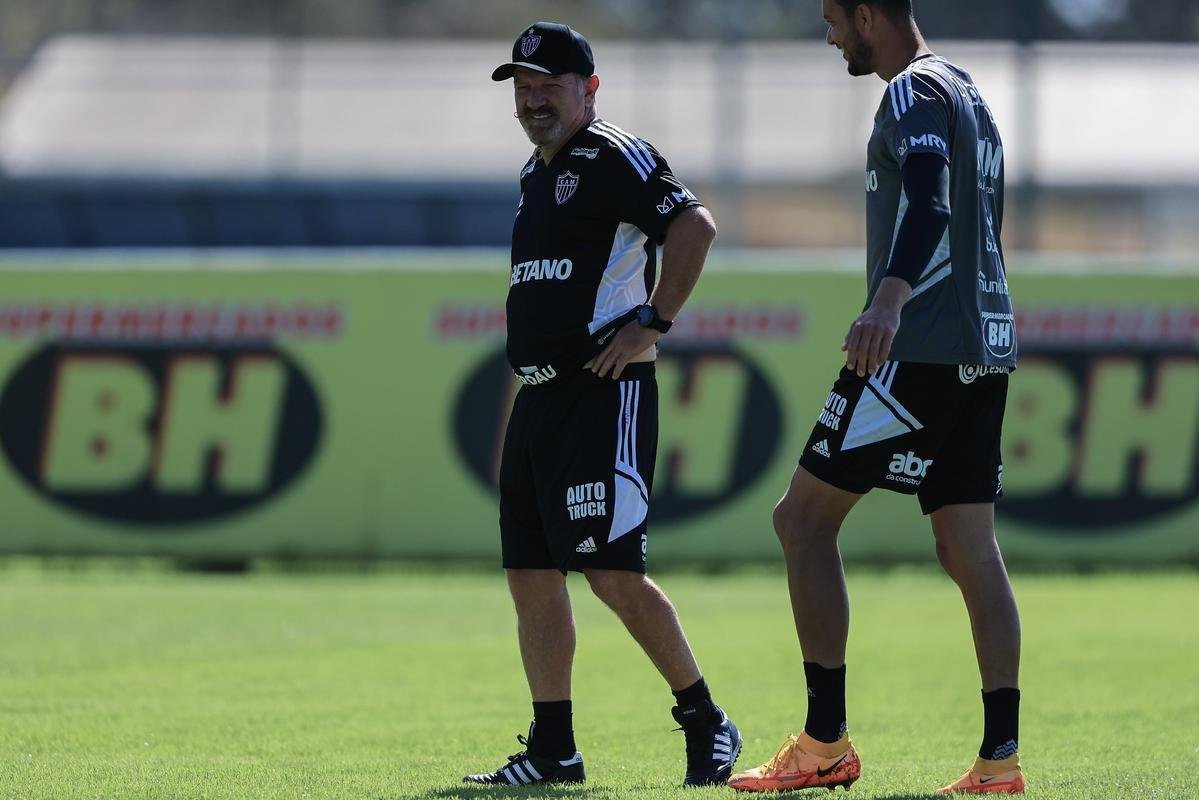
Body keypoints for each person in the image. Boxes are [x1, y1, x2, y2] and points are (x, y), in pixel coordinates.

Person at [728, 1, 1024, 795]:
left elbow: (928, 199)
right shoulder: (968, 91)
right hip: (983, 345)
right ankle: (999, 760)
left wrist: (888, 300)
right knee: (967, 545)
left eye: (832, 17)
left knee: (801, 519)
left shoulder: (910, 92)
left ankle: (824, 744)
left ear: (868, 14)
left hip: (917, 346)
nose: (828, 35)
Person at [462, 21, 741, 789]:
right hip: (542, 400)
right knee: (530, 575)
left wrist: (653, 320)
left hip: (601, 393)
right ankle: (554, 749)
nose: (531, 99)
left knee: (613, 573)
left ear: (589, 89)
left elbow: (694, 225)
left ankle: (706, 720)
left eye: (548, 85)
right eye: (522, 86)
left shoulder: (611, 153)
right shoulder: (534, 170)